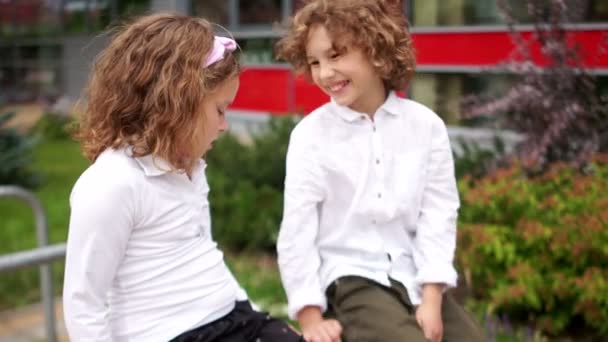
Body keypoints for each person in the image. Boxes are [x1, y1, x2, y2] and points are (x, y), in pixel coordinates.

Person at [63, 13, 302, 342]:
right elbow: (83, 305)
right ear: (175, 104)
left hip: (233, 318)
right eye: (220, 109)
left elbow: (202, 250)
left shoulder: (188, 166)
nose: (225, 125)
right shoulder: (112, 183)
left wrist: (257, 315)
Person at [275, 1, 486, 341]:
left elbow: (438, 214)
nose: (325, 73)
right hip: (351, 278)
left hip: (413, 274)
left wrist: (432, 298)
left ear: (377, 50)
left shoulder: (426, 126)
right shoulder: (310, 136)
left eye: (336, 55)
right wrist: (310, 316)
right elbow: (296, 230)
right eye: (315, 62)